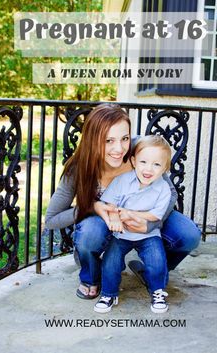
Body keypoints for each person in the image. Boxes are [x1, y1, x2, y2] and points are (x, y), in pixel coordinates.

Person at [45, 103, 201, 300]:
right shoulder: (78, 169)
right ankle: (91, 276)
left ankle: (153, 271)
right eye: (108, 140)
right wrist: (92, 206)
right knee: (90, 233)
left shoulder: (140, 149)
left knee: (189, 234)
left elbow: (170, 191)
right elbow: (51, 219)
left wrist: (151, 223)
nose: (118, 148)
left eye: (124, 138)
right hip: (105, 222)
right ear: (93, 140)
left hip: (145, 215)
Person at [94, 135, 172, 314]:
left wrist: (130, 214)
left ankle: (157, 291)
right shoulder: (122, 181)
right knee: (110, 261)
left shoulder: (163, 188)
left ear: (165, 168)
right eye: (143, 162)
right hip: (122, 234)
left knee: (156, 261)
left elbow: (154, 215)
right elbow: (110, 204)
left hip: (148, 235)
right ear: (134, 161)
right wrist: (114, 218)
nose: (148, 169)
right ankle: (109, 293)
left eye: (157, 164)